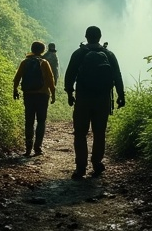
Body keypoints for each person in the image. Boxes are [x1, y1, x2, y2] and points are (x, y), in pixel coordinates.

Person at [64, 26, 125, 179]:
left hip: (83, 98)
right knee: (99, 133)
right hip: (103, 99)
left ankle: (80, 168)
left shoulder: (79, 53)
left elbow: (70, 74)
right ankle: (97, 163)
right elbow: (117, 75)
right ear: (100, 37)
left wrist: (70, 94)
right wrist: (121, 95)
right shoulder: (108, 54)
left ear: (86, 36)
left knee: (80, 133)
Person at [13, 41, 56, 156]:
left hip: (29, 94)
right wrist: (53, 94)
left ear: (32, 49)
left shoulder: (25, 62)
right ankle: (38, 147)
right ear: (42, 51)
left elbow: (17, 77)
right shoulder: (44, 62)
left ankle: (28, 147)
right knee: (41, 121)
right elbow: (51, 80)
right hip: (43, 94)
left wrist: (15, 90)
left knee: (29, 121)